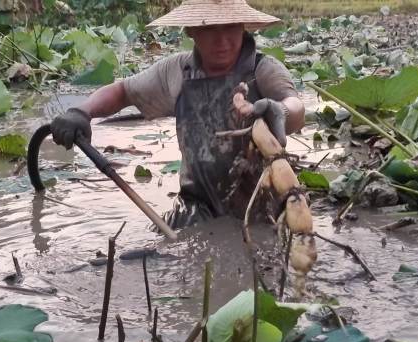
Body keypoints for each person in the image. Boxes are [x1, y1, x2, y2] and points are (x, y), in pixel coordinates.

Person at [50, 0, 305, 229]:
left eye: (230, 27)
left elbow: (296, 107)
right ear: (191, 31)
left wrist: (281, 110)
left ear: (243, 26)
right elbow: (122, 91)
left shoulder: (263, 70)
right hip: (196, 205)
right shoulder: (177, 72)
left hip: (262, 205)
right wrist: (82, 111)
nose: (222, 40)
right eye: (209, 29)